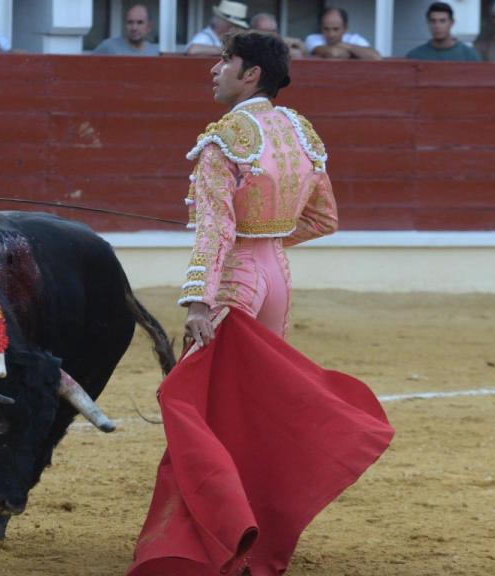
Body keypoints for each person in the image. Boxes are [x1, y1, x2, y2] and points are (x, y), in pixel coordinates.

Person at [127, 30, 392, 576]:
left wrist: (200, 299)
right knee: (255, 409)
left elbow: (216, 230)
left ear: (250, 73)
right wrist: (267, 237)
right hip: (278, 278)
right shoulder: (300, 131)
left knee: (206, 408)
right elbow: (323, 220)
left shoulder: (225, 137)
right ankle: (250, 533)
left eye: (225, 60)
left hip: (238, 281)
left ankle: (215, 542)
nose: (214, 69)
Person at [406, 2, 480, 61]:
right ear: (428, 23)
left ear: (451, 23)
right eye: (433, 21)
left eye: (442, 21)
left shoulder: (469, 55)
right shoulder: (415, 56)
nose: (437, 26)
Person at [305, 6, 381, 60]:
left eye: (336, 29)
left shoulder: (354, 39)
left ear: (345, 28)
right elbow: (333, 53)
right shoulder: (312, 38)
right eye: (326, 29)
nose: (331, 34)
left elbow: (375, 57)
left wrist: (346, 46)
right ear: (320, 28)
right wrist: (354, 53)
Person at [93, 4, 159, 56]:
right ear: (125, 25)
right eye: (130, 22)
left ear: (149, 27)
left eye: (140, 23)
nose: (134, 28)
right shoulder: (109, 47)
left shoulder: (156, 52)